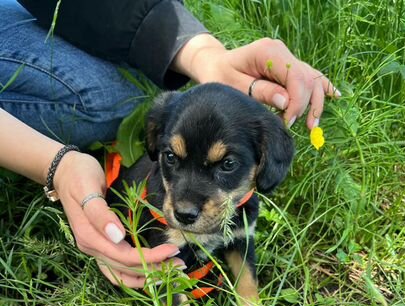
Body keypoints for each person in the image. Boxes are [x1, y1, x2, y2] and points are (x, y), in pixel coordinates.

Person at [0, 0, 340, 288]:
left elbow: (241, 241)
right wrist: (55, 164)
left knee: (113, 97)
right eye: (171, 159)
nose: (186, 204)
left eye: (227, 165)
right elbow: (164, 266)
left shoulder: (247, 197)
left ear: (266, 159)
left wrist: (206, 55)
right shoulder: (162, 203)